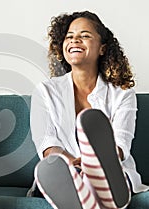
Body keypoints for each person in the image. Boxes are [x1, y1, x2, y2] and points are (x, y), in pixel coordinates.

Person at [30, 11, 149, 209]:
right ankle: (96, 188)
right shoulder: (45, 91)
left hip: (112, 170)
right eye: (69, 36)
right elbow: (47, 144)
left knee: (99, 178)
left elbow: (121, 145)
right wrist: (76, 164)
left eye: (84, 35)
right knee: (68, 174)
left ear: (102, 48)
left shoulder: (122, 93)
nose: (75, 40)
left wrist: (93, 166)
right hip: (66, 171)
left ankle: (97, 183)